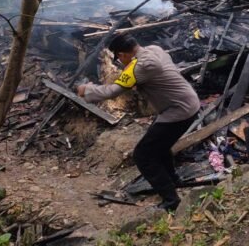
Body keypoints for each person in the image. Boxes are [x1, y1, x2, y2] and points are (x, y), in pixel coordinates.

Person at [77, 35, 199, 211]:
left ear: (122, 54)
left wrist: (86, 90)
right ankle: (173, 181)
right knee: (161, 146)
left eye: (118, 58)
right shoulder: (154, 49)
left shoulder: (141, 65)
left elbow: (113, 91)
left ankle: (171, 201)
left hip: (178, 111)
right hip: (187, 102)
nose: (119, 62)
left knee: (143, 155)